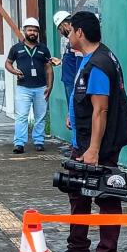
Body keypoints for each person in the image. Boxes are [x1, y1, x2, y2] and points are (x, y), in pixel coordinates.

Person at [50, 10, 127, 252]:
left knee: (106, 195)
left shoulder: (98, 64)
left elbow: (101, 110)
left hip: (98, 145)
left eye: (71, 30)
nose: (68, 34)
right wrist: (73, 115)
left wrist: (94, 150)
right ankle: (77, 248)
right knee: (77, 192)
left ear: (80, 33)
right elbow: (87, 101)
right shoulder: (92, 58)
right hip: (85, 139)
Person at [6, 17, 52, 153]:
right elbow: (8, 63)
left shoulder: (44, 49)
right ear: (24, 31)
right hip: (23, 88)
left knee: (40, 116)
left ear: (38, 32)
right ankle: (19, 143)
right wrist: (14, 71)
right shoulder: (16, 48)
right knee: (21, 116)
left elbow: (49, 69)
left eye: (35, 30)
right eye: (29, 30)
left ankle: (39, 141)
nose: (32, 32)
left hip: (41, 87)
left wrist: (50, 86)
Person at [52, 10, 79, 149]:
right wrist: (61, 62)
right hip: (69, 81)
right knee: (72, 112)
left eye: (60, 28)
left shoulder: (76, 40)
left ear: (65, 24)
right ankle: (75, 144)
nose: (60, 31)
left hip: (74, 83)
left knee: (75, 113)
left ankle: (77, 146)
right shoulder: (70, 41)